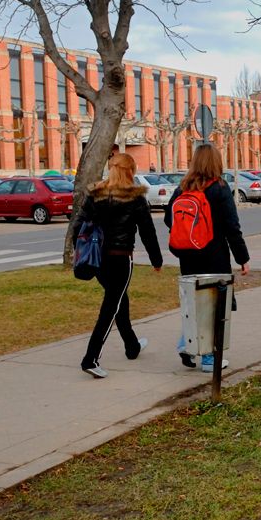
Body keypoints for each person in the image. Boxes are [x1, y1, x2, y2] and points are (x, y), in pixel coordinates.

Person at [72, 152, 164, 379]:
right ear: (130, 171)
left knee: (120, 300)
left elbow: (78, 228)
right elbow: (147, 232)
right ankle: (90, 359)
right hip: (121, 259)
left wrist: (82, 252)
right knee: (111, 307)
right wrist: (157, 260)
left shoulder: (96, 194)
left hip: (98, 260)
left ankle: (131, 345)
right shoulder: (135, 198)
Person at [165, 143, 251, 372]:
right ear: (216, 162)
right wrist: (242, 257)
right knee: (214, 307)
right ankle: (209, 360)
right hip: (214, 256)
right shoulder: (220, 188)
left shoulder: (182, 187)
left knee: (194, 304)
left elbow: (168, 219)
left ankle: (187, 344)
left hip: (187, 255)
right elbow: (232, 227)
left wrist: (188, 234)